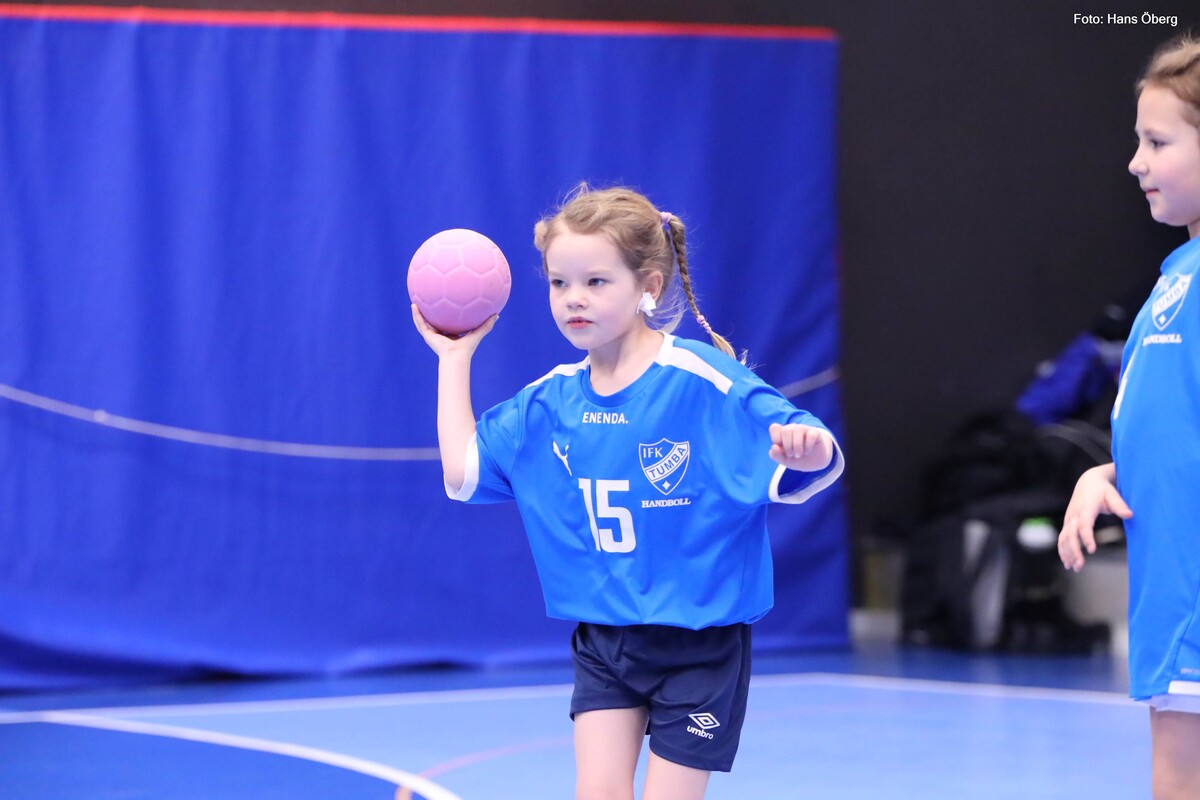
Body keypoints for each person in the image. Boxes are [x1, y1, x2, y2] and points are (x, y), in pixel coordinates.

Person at [412, 185, 844, 800]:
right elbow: (462, 475)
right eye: (559, 283)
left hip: (699, 646)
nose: (574, 298)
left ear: (649, 286)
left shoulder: (699, 380)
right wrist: (454, 358)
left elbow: (810, 450)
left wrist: (809, 448)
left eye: (595, 281)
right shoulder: (550, 401)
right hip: (605, 641)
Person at [1058, 35, 1200, 800]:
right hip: (1171, 590)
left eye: (1158, 142)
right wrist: (1105, 474)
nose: (1135, 162)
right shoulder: (1176, 278)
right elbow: (1175, 431)